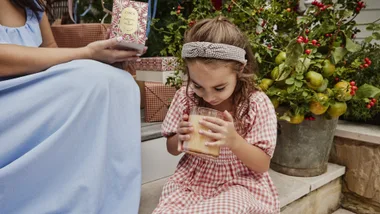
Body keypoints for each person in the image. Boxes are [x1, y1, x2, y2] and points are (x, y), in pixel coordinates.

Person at [0, 0, 142, 213]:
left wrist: (103, 56)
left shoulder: (32, 4)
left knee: (119, 82)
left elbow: (50, 51)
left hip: (36, 94)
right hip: (8, 100)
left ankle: (102, 201)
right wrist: (86, 54)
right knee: (92, 80)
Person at [153, 16, 280, 214]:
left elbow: (262, 164)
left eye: (219, 87)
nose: (209, 96)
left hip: (240, 182)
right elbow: (172, 148)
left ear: (240, 69)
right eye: (198, 86)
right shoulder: (186, 98)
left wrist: (234, 141)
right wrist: (180, 137)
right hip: (193, 179)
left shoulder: (255, 103)